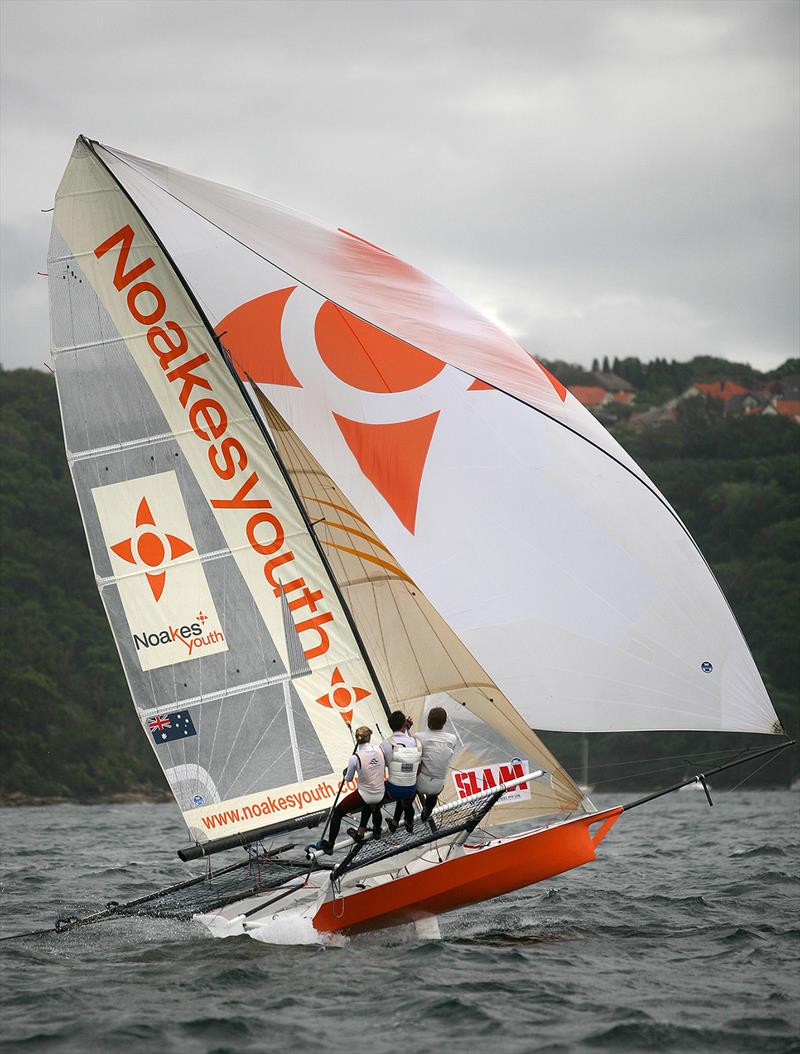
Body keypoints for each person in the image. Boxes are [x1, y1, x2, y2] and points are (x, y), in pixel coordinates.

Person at [313, 726, 386, 854]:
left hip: (365, 794)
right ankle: (368, 831)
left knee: (337, 813)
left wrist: (345, 773)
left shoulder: (355, 758)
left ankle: (330, 844)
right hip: (380, 793)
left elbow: (348, 779)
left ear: (357, 740)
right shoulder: (379, 749)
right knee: (370, 805)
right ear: (369, 738)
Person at [381, 711, 422, 834]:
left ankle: (382, 827)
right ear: (404, 724)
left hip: (393, 790)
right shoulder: (415, 742)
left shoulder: (384, 744)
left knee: (374, 801)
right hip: (410, 788)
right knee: (405, 780)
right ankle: (407, 821)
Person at [415, 706, 457, 820]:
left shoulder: (418, 737)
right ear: (444, 722)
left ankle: (406, 816)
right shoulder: (452, 738)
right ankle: (427, 812)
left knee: (412, 772)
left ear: (428, 720)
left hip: (419, 784)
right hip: (437, 786)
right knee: (433, 792)